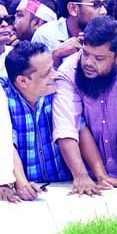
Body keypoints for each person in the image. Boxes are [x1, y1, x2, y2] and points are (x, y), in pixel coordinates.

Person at [53, 17, 117, 196]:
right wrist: (81, 176)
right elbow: (67, 126)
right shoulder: (68, 72)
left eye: (99, 58)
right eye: (85, 54)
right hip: (78, 174)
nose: (88, 63)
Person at [2, 41, 72, 184]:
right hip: (21, 191)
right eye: (47, 73)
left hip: (63, 186)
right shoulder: (3, 97)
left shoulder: (58, 90)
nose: (55, 75)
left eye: (53, 68)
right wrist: (21, 183)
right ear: (23, 81)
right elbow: (6, 142)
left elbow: (79, 129)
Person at [32, 0, 106, 66]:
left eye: (103, 4)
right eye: (96, 5)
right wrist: (56, 56)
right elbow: (36, 77)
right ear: (73, 9)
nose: (104, 11)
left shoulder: (108, 34)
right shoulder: (46, 36)